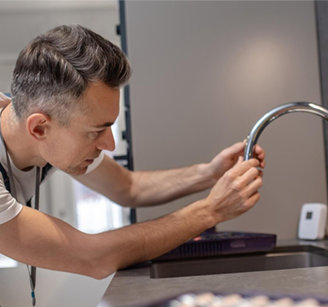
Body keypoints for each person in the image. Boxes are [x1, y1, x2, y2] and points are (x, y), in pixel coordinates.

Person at [0, 24, 264, 282]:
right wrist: (211, 210)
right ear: (38, 128)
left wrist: (209, 174)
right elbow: (91, 257)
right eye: (95, 131)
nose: (110, 145)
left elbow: (127, 187)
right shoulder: (49, 127)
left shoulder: (41, 125)